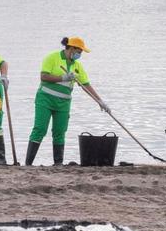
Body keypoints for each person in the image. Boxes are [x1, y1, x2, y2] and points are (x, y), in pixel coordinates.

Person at [26, 36, 111, 166]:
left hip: (63, 104)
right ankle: (28, 164)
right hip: (45, 100)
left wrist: (100, 101)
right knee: (40, 129)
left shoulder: (77, 66)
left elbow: (85, 85)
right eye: (79, 51)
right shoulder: (52, 57)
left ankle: (58, 163)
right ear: (71, 48)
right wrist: (63, 77)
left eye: (81, 52)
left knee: (60, 132)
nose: (80, 54)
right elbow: (44, 76)